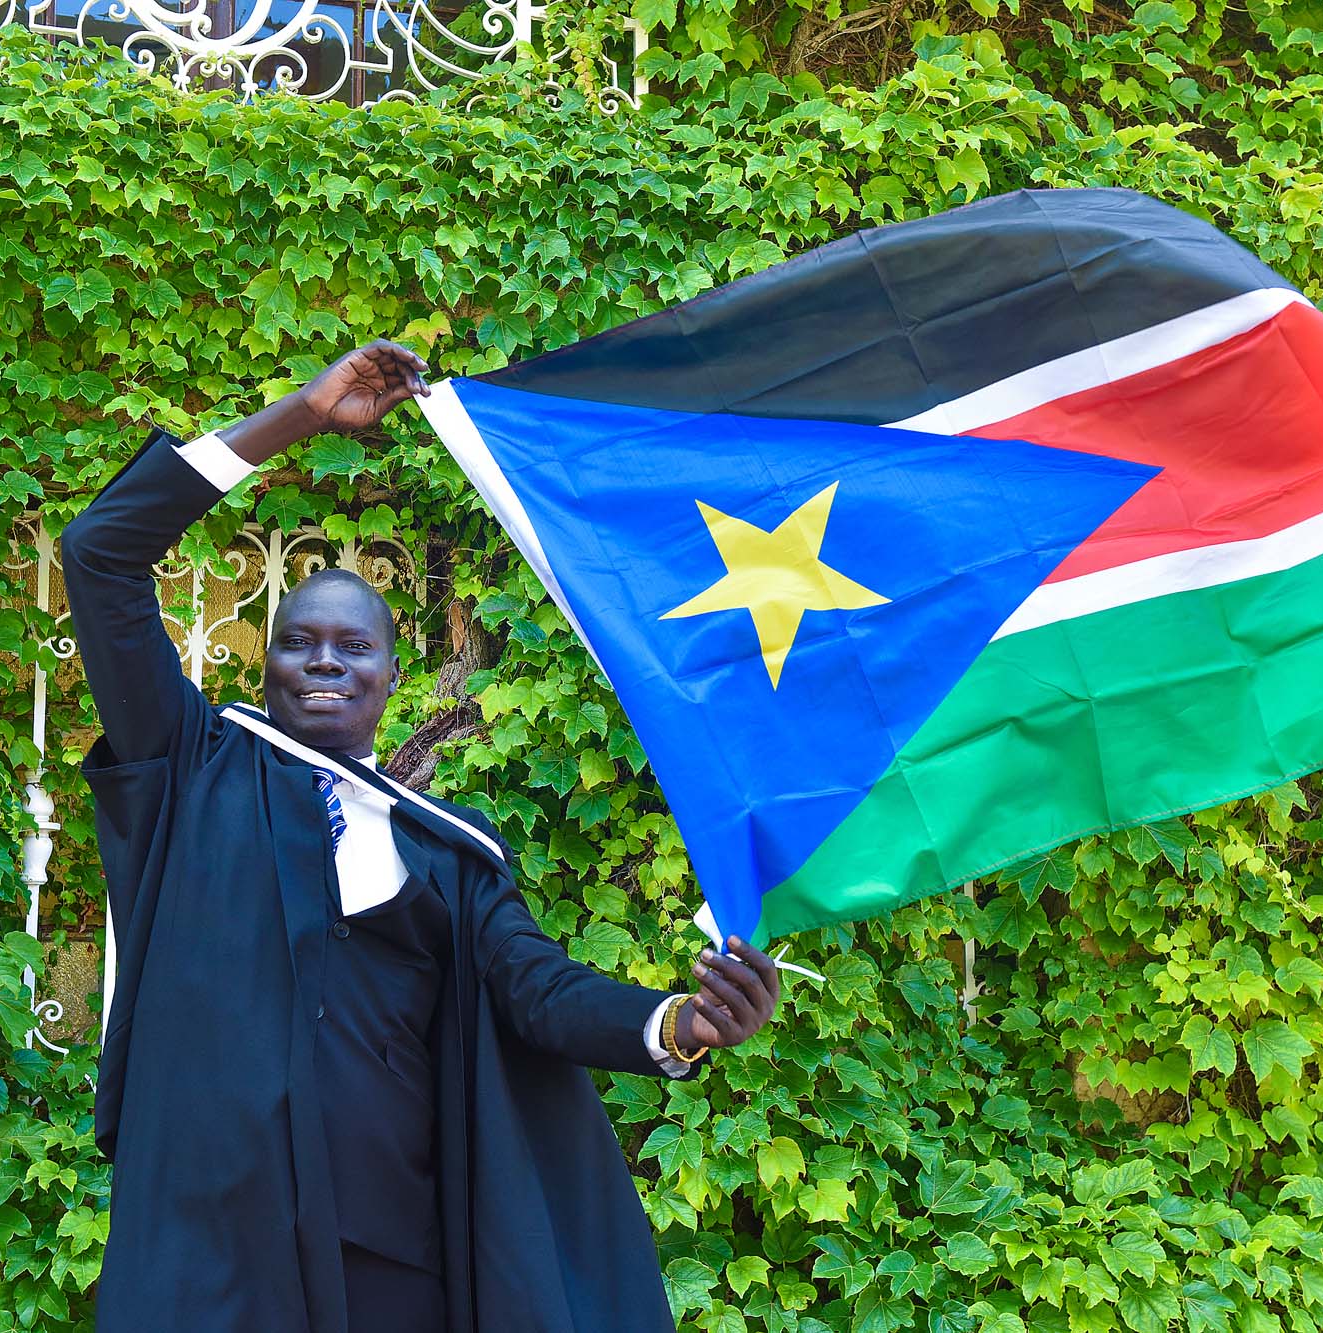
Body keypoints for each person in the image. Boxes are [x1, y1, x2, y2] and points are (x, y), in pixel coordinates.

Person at [61, 340, 783, 1333]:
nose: (323, 661)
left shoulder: (448, 847)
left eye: (352, 645)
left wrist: (677, 1024)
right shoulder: (195, 764)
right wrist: (297, 419)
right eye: (297, 641)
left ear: (391, 679)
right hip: (216, 1239)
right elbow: (99, 552)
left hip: (395, 1246)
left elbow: (537, 988)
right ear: (263, 663)